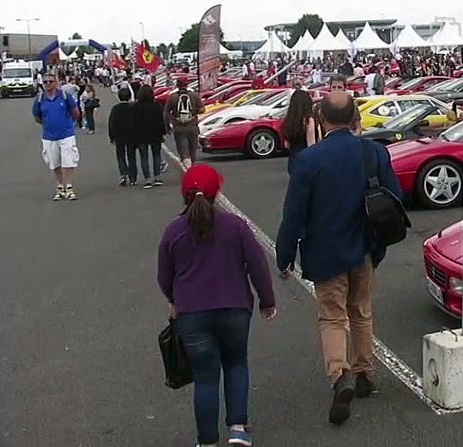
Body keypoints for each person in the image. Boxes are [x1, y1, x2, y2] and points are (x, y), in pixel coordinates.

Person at [274, 91, 402, 426]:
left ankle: (338, 373)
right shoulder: (373, 153)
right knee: (361, 311)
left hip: (325, 251)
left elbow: (293, 215)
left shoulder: (309, 160)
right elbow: (394, 198)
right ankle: (364, 372)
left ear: (322, 120)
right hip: (364, 248)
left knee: (332, 317)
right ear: (355, 119)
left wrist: (284, 255)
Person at [158, 164, 277, 447]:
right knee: (236, 363)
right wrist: (267, 300)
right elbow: (257, 264)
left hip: (193, 314)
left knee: (205, 377)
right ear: (217, 192)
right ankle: (238, 428)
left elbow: (164, 276)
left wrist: (174, 299)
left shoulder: (174, 231)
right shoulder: (235, 226)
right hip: (234, 307)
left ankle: (208, 440)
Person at [33, 72, 83, 201]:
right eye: (45, 82)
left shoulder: (65, 96)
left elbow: (75, 112)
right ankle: (60, 186)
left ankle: (69, 186)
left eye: (50, 81)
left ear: (56, 83)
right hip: (49, 136)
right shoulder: (39, 99)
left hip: (66, 134)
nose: (48, 84)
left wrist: (68, 124)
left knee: (69, 160)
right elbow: (37, 117)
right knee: (54, 162)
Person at [164, 76, 205, 171]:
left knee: (184, 152)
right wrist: (194, 112)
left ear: (177, 85)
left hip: (179, 128)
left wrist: (167, 126)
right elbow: (203, 109)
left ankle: (188, 169)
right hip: (192, 127)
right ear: (187, 84)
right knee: (192, 151)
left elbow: (166, 112)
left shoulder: (172, 97)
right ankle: (192, 169)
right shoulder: (194, 95)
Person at [134, 84, 168, 189]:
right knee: (156, 155)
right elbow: (161, 121)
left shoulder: (135, 107)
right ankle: (157, 177)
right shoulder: (157, 107)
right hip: (155, 133)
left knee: (144, 157)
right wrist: (163, 132)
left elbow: (133, 122)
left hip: (141, 134)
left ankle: (147, 179)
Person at [280, 89, 318, 173]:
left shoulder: (288, 121)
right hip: (305, 161)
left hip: (293, 160)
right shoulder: (308, 121)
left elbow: (287, 145)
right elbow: (311, 146)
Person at [108, 87, 138, 186]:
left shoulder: (115, 109)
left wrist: (111, 136)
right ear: (129, 97)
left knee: (120, 155)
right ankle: (133, 178)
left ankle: (124, 174)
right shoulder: (132, 108)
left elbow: (111, 123)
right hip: (132, 134)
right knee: (131, 156)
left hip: (119, 135)